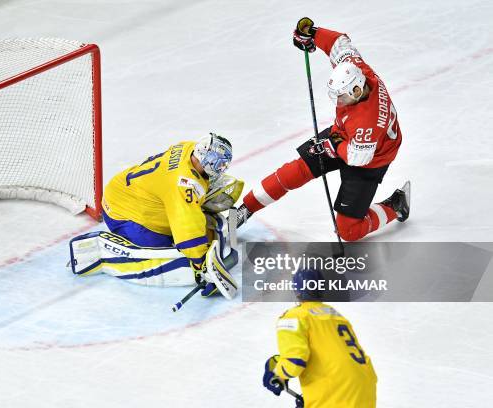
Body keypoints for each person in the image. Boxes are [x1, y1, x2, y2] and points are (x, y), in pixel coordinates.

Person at [238, 17, 410, 241]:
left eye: (343, 97)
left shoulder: (367, 121)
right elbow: (340, 43)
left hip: (371, 158)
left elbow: (358, 157)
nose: (338, 102)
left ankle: (395, 205)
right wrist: (313, 33)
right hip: (346, 138)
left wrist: (333, 144)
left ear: (357, 91)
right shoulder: (357, 70)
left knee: (348, 231)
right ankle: (245, 208)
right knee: (295, 171)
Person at [69, 133, 240, 299]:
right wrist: (201, 265)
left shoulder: (189, 148)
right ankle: (105, 258)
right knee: (165, 250)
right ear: (209, 160)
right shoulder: (183, 184)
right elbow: (186, 228)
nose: (221, 170)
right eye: (220, 165)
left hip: (126, 191)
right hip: (123, 212)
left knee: (199, 208)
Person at [262, 268, 377, 407]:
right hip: (364, 387)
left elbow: (295, 361)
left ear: (296, 290)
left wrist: (277, 374)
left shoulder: (294, 316)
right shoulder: (337, 316)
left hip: (337, 391)